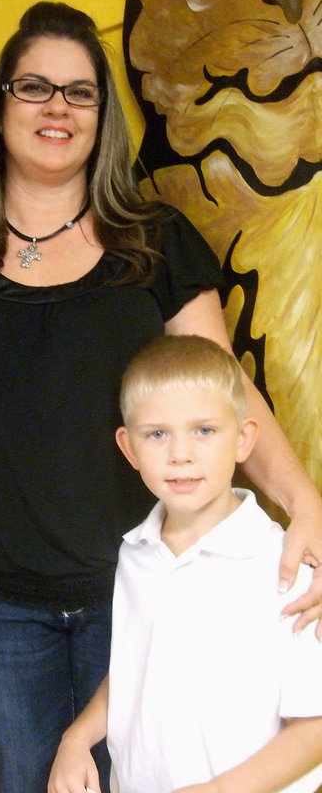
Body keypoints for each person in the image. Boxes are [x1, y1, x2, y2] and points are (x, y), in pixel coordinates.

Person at [0, 3, 322, 793]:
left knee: (147, 775)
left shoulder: (156, 242)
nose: (57, 107)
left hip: (144, 578)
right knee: (30, 779)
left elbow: (227, 388)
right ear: (1, 105)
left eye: (80, 92)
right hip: (3, 599)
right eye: (35, 87)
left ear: (102, 114)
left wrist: (306, 503)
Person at [48, 334, 322, 793]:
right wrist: (76, 738)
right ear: (129, 447)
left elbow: (315, 726)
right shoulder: (135, 552)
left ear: (244, 438)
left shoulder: (288, 568)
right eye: (157, 434)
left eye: (205, 430)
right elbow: (138, 668)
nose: (181, 454)